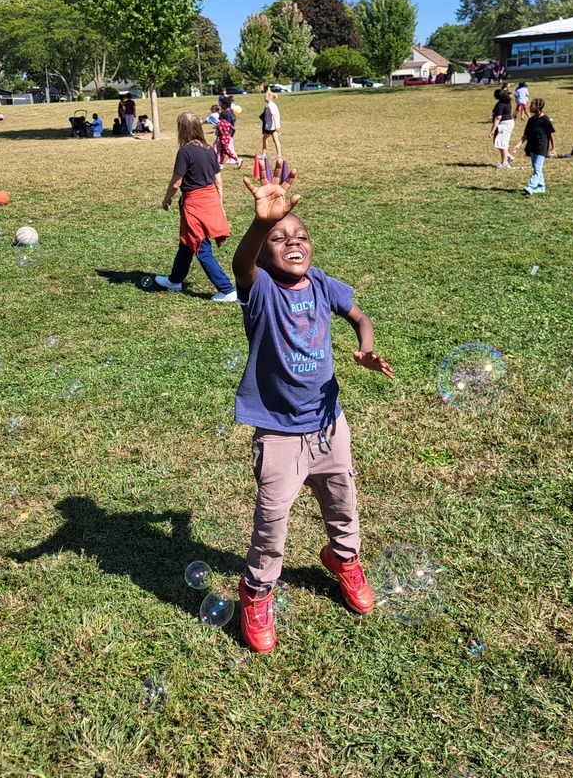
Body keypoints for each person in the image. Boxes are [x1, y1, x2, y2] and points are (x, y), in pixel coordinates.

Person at [231, 159, 394, 652]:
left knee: (343, 502)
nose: (293, 242)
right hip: (279, 431)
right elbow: (242, 263)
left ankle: (343, 559)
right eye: (279, 239)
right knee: (272, 520)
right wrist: (261, 224)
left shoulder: (322, 284)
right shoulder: (259, 290)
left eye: (299, 234)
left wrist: (365, 346)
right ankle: (256, 591)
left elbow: (359, 316)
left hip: (329, 422)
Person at [155, 112, 237, 301]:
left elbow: (176, 183)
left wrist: (166, 199)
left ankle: (227, 290)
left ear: (181, 130)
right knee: (187, 243)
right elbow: (219, 181)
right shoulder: (209, 149)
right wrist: (220, 204)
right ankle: (175, 280)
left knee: (201, 246)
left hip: (194, 204)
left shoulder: (184, 151)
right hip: (210, 200)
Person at [511, 98, 557, 195]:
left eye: (532, 105)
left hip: (541, 147)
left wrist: (553, 148)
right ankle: (541, 187)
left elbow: (551, 135)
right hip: (532, 146)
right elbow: (526, 134)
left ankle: (530, 187)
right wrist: (518, 145)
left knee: (537, 168)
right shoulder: (531, 120)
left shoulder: (545, 120)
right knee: (536, 168)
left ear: (538, 107)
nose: (530, 106)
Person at [489, 88, 515, 168]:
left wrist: (492, 130)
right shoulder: (507, 102)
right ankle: (508, 156)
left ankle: (505, 162)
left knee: (502, 142)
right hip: (507, 123)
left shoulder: (500, 105)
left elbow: (498, 117)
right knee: (499, 142)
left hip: (504, 124)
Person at [215, 95, 242, 168]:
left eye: (222, 104)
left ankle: (237, 160)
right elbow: (233, 126)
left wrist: (218, 136)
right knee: (223, 150)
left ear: (225, 105)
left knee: (226, 150)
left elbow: (220, 128)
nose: (221, 105)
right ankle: (221, 164)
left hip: (224, 136)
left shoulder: (225, 114)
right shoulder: (231, 113)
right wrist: (231, 134)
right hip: (228, 135)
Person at [260, 90, 282, 160]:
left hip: (270, 126)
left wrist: (275, 126)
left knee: (265, 138)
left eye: (265, 96)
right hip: (273, 125)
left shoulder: (270, 105)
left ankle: (264, 154)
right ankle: (279, 155)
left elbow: (274, 115)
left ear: (269, 97)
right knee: (276, 140)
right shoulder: (272, 104)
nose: (264, 98)